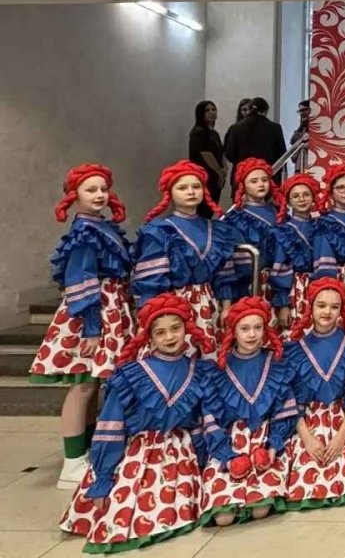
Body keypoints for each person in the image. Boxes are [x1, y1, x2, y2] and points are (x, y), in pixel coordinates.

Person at [58, 294, 213, 552]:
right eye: (160, 332)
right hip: (141, 452)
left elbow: (198, 422)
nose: (170, 337)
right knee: (125, 504)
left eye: (175, 329)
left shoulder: (197, 370)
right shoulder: (133, 373)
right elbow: (111, 426)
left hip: (180, 452)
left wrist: (203, 459)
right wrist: (104, 476)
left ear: (186, 329)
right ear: (149, 337)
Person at [31, 164, 134, 491]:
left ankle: (86, 450)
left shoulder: (100, 227)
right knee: (83, 385)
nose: (99, 195)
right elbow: (81, 280)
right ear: (74, 195)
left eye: (103, 189)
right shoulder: (85, 233)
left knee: (93, 385)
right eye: (91, 190)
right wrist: (91, 327)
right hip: (92, 314)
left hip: (109, 309)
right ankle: (72, 461)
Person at [283, 277, 345, 509]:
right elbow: (288, 398)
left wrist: (341, 434)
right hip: (309, 420)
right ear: (310, 306)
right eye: (321, 305)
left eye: (334, 306)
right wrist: (307, 438)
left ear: (342, 310)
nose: (327, 312)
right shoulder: (295, 348)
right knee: (308, 471)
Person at [199, 297, 296, 527]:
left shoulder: (275, 362)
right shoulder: (218, 369)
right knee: (223, 518)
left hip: (264, 440)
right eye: (244, 329)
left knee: (261, 510)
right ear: (233, 331)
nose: (252, 334)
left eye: (257, 327)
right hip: (230, 443)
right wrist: (227, 455)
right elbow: (211, 419)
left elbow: (284, 411)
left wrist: (272, 446)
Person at [131, 160, 239, 358]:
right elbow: (151, 282)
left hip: (209, 306)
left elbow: (224, 275)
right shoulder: (160, 231)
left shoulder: (217, 229)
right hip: (172, 308)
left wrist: (226, 307)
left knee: (208, 359)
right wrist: (148, 316)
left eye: (196, 186)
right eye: (182, 188)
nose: (191, 192)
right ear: (170, 193)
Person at [223, 158, 282, 312]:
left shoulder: (277, 212)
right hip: (251, 284)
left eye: (264, 180)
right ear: (243, 185)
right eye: (254, 181)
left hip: (280, 280)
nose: (261, 184)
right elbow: (241, 262)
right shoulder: (238, 218)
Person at [270, 173, 321, 331]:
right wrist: (283, 304)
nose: (301, 199)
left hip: (319, 286)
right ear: (289, 201)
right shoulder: (285, 231)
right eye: (296, 196)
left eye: (306, 195)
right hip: (296, 288)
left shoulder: (321, 225)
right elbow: (280, 268)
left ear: (313, 197)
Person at [312, 163, 345, 320]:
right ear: (331, 191)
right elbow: (324, 260)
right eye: (340, 188)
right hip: (338, 277)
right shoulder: (326, 222)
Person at [223, 97, 286, 191]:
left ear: (250, 110)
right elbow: (281, 155)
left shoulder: (235, 127)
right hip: (267, 176)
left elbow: (229, 153)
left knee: (241, 199)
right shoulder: (275, 128)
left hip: (242, 175)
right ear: (265, 111)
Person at [188, 100, 226, 217]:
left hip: (215, 178)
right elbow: (205, 154)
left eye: (214, 109)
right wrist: (219, 171)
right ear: (201, 113)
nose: (212, 112)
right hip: (204, 177)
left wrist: (224, 168)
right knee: (202, 210)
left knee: (210, 210)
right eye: (207, 110)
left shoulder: (215, 134)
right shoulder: (198, 131)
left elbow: (221, 152)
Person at [222, 98, 253, 187]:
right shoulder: (234, 129)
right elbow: (228, 152)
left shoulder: (259, 129)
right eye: (244, 110)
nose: (247, 112)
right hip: (239, 168)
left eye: (249, 109)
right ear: (240, 112)